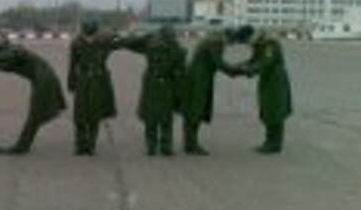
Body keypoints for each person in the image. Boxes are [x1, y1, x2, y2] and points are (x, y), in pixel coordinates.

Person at [0, 41, 66, 154]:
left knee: (35, 115)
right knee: (36, 115)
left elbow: (10, 57)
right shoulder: (18, 54)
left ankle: (21, 146)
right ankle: (23, 145)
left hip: (44, 80)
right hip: (44, 78)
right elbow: (7, 65)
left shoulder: (16, 51)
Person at [123, 26, 187, 156]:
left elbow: (181, 72)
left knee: (162, 116)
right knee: (156, 116)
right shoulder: (156, 47)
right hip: (158, 83)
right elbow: (129, 44)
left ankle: (159, 146)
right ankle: (159, 146)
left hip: (161, 83)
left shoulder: (174, 50)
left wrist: (146, 37)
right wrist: (145, 37)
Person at [68, 20, 124, 156]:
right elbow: (72, 64)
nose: (88, 37)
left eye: (90, 33)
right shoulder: (76, 44)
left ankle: (91, 145)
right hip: (83, 80)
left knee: (94, 114)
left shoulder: (103, 42)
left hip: (98, 81)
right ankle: (81, 145)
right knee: (80, 114)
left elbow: (118, 40)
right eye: (86, 33)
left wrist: (115, 35)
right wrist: (71, 82)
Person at [183, 27, 242, 156]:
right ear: (230, 38)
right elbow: (219, 63)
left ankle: (189, 142)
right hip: (199, 78)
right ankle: (191, 144)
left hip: (196, 76)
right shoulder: (217, 41)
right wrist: (238, 70)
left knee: (193, 108)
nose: (231, 45)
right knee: (196, 109)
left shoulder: (213, 38)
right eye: (232, 42)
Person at [238, 27, 293, 154]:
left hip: (276, 80)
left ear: (251, 36)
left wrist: (248, 70)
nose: (248, 44)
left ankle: (275, 144)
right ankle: (269, 141)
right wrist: (239, 66)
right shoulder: (258, 43)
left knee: (275, 110)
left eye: (247, 41)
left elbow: (266, 62)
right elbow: (254, 60)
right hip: (266, 79)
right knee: (267, 109)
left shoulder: (270, 44)